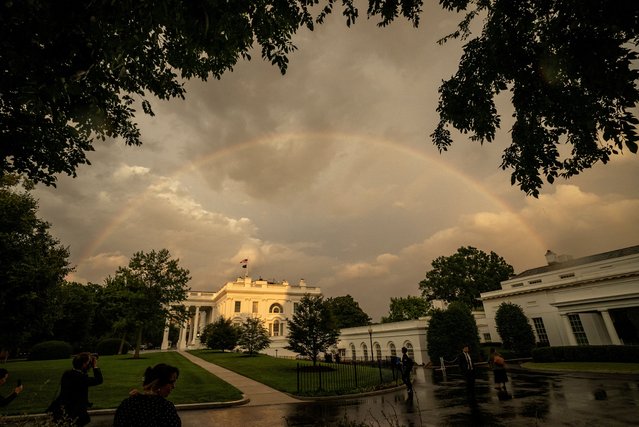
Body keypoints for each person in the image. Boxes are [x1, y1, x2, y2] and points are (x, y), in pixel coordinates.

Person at [113, 363, 181, 427]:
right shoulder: (165, 408)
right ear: (159, 384)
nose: (174, 386)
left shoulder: (127, 404)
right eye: (171, 382)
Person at [48, 352, 103, 426]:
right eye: (88, 362)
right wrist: (95, 366)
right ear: (84, 364)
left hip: (62, 409)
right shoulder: (80, 378)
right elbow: (99, 380)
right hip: (74, 412)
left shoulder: (67, 373)